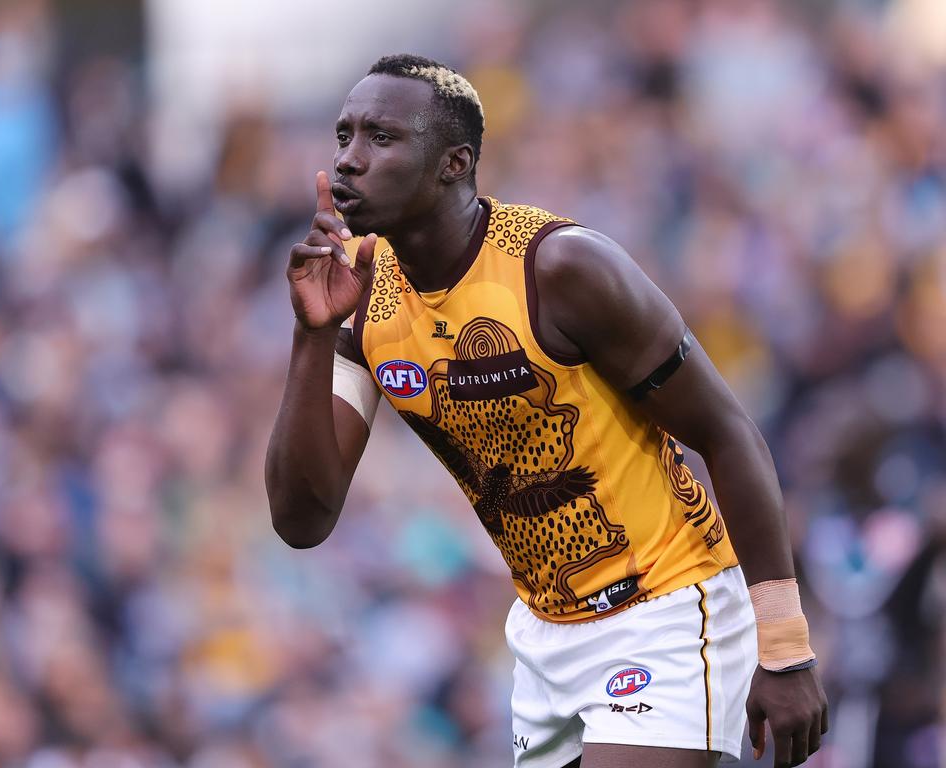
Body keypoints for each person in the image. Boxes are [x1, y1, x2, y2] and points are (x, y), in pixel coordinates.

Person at [265, 54, 828, 768]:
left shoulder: (560, 269)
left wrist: (783, 643)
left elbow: (728, 433)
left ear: (453, 162)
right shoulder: (363, 297)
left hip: (664, 607)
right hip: (542, 634)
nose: (348, 160)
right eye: (343, 135)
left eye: (380, 137)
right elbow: (301, 519)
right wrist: (311, 336)